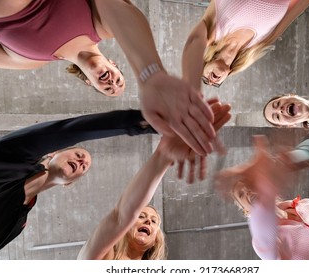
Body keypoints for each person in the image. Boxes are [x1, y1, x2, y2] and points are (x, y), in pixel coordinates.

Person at [0, 0, 217, 157]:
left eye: (108, 89)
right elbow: (118, 8)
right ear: (114, 65)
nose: (112, 83)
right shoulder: (100, 25)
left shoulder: (32, 60)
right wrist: (151, 75)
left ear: (90, 83)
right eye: (119, 80)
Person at [0, 108, 157, 258]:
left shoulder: (19, 224)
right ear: (53, 153)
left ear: (68, 183)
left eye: (85, 167)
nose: (82, 161)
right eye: (78, 154)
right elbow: (70, 130)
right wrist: (144, 121)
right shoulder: (11, 161)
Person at [77, 101, 232, 259]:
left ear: (155, 240)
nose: (148, 222)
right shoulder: (102, 258)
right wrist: (163, 156)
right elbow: (121, 217)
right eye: (142, 216)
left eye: (153, 221)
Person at [182, 0, 309, 89]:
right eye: (216, 84)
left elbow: (194, 41)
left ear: (204, 62)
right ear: (227, 76)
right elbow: (294, 11)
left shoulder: (213, 31)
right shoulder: (260, 43)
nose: (211, 82)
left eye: (205, 79)